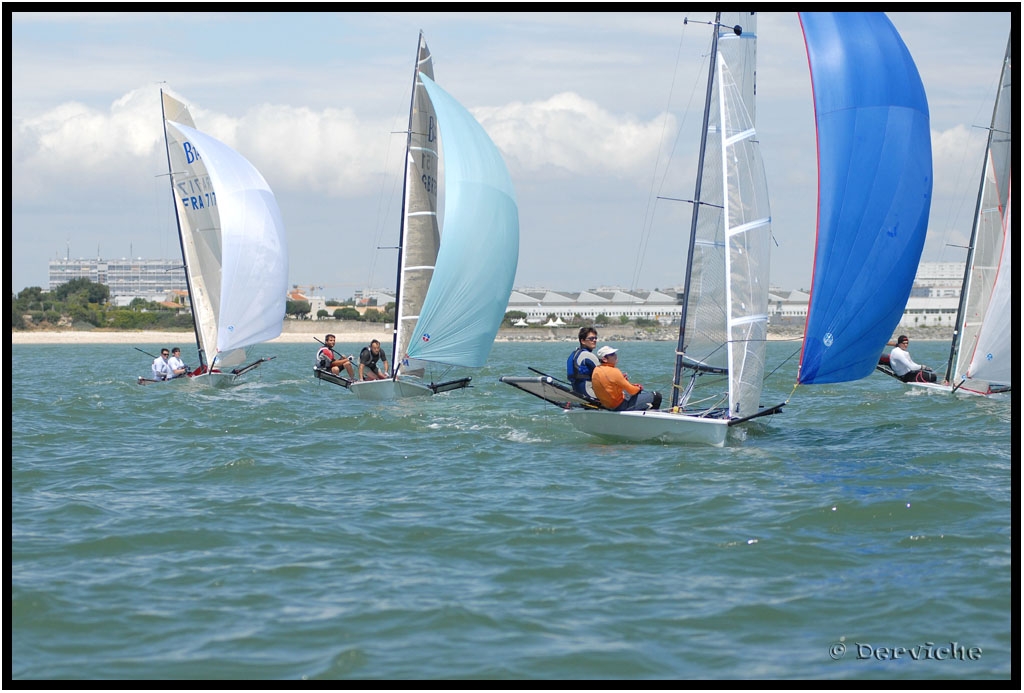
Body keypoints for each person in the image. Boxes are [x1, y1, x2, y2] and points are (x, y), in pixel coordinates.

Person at [591, 345, 662, 411]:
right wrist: (638, 387)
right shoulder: (614, 371)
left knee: (634, 392)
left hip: (607, 404)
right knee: (657, 396)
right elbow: (632, 391)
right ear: (604, 359)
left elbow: (608, 386)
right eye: (612, 355)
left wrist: (623, 380)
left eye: (615, 353)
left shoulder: (596, 370)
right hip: (619, 406)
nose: (615, 356)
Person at [567, 326, 601, 398]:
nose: (594, 340)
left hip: (578, 394)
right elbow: (605, 375)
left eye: (595, 338)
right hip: (589, 394)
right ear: (583, 341)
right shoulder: (588, 355)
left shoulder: (573, 354)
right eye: (591, 338)